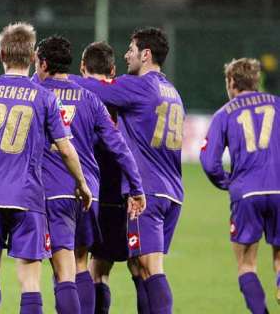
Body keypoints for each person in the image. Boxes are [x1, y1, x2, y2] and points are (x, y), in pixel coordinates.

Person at [0, 22, 92, 314]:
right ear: (32, 57)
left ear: (2, 54)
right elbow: (65, 148)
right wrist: (82, 183)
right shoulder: (44, 97)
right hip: (27, 197)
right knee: (30, 278)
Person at [34, 36, 145, 314]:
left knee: (61, 269)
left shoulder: (34, 91)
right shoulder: (90, 98)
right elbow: (119, 147)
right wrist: (136, 187)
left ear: (43, 64)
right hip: (87, 195)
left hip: (48, 189)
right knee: (81, 262)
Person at [86, 27, 185, 314]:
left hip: (148, 193)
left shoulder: (140, 85)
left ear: (146, 54)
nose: (127, 54)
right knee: (139, 266)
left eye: (131, 48)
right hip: (172, 192)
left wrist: (58, 80)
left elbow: (94, 88)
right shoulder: (172, 91)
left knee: (150, 268)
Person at [200, 58, 280, 314]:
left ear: (232, 81)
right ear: (255, 81)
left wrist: (230, 183)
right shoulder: (278, 105)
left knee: (247, 265)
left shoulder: (224, 113)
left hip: (246, 193)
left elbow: (210, 162)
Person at [78, 41, 146, 313]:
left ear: (83, 67)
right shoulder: (123, 94)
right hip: (125, 189)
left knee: (92, 267)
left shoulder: (79, 94)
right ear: (113, 70)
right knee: (140, 266)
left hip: (90, 191)